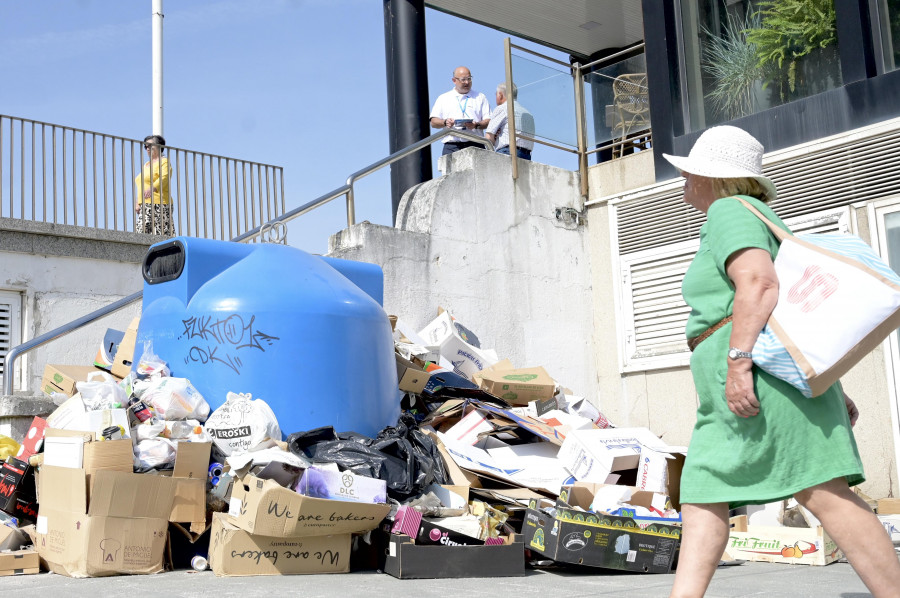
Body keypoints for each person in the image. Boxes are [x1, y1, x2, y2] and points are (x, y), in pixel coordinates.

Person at [666, 125, 900, 598]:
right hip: (760, 381)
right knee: (702, 493)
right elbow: (790, 318)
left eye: (690, 170)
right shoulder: (744, 214)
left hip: (755, 379)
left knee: (819, 490)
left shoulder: (728, 211)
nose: (684, 179)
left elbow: (760, 285)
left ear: (714, 177)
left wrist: (737, 362)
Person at [429, 66, 491, 156]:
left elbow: (489, 120)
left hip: (476, 144)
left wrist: (476, 125)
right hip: (452, 146)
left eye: (469, 79)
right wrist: (445, 122)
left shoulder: (480, 97)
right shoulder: (444, 98)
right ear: (454, 80)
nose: (467, 82)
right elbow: (433, 122)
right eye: (463, 79)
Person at [135, 134, 174, 236]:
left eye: (150, 145)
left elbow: (164, 177)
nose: (147, 148)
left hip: (159, 203)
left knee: (160, 234)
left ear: (159, 146)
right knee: (141, 233)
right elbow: (142, 184)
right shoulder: (146, 165)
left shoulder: (164, 162)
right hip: (145, 204)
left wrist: (152, 188)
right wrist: (138, 202)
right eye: (146, 146)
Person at [485, 83, 535, 160]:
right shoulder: (528, 114)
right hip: (527, 156)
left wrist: (495, 139)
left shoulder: (502, 108)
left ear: (500, 95)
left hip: (508, 152)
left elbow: (488, 138)